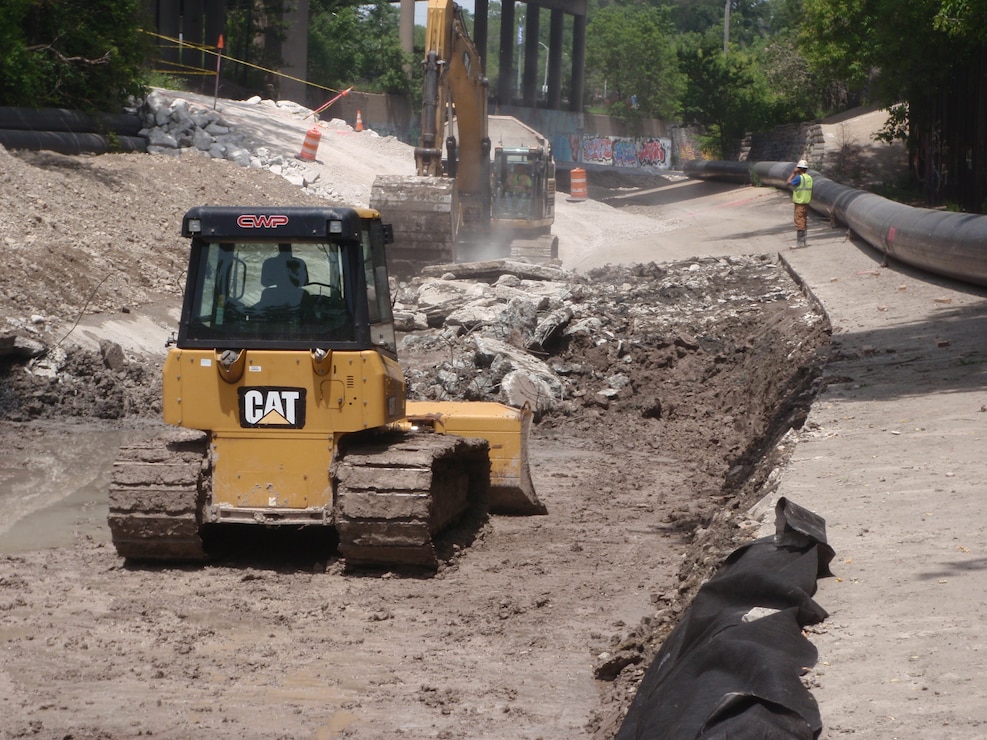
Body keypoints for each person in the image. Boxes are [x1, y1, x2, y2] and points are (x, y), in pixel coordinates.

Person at [786, 159, 813, 248]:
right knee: (804, 221)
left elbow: (788, 183)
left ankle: (800, 243)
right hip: (806, 203)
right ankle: (804, 242)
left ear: (799, 169)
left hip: (799, 203)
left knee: (799, 221)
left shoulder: (799, 178)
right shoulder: (809, 178)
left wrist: (793, 173)